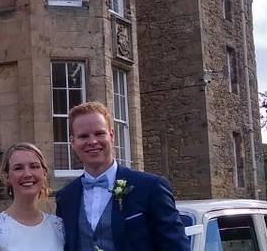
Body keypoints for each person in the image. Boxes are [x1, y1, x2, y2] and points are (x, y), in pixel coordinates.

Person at [55, 102, 188, 251]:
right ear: (72, 142)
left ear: (111, 135)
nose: (92, 141)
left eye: (99, 133)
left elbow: (176, 247)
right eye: (83, 136)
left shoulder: (151, 187)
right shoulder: (66, 197)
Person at [0, 142, 64, 251]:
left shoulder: (59, 227)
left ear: (44, 173)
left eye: (34, 166)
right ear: (7, 177)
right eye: (18, 168)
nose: (27, 174)